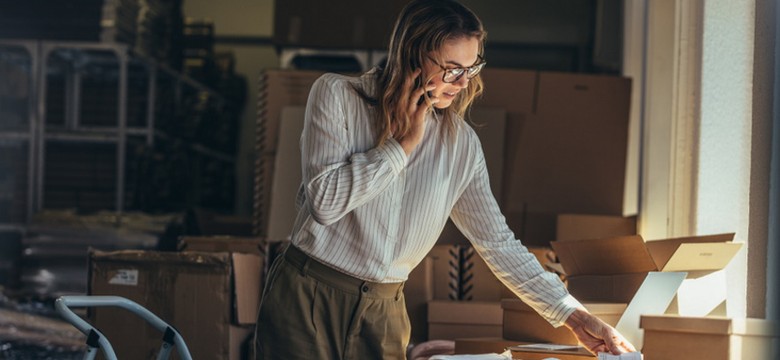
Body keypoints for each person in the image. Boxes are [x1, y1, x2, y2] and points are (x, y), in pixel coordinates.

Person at [254, 0, 637, 359]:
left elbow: (498, 244)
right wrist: (400, 147)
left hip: (384, 313)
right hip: (307, 297)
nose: (463, 81)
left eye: (472, 68)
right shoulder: (337, 95)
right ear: (412, 53)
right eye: (452, 67)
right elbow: (325, 203)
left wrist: (573, 315)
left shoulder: (461, 146)